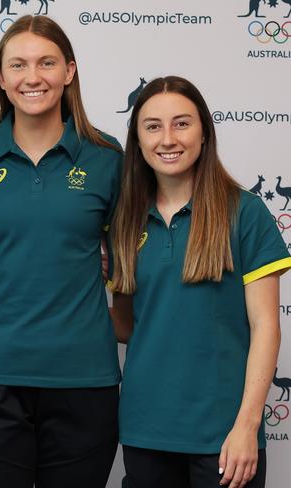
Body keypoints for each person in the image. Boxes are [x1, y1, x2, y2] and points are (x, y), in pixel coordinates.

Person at [0, 15, 123, 488]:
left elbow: (129, 251)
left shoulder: (107, 156)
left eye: (47, 62)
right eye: (19, 65)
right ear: (2, 79)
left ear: (69, 71)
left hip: (84, 380)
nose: (33, 77)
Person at [110, 76, 290, 488]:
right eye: (152, 126)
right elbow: (125, 325)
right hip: (145, 429)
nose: (168, 138)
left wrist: (247, 426)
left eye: (182, 123)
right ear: (137, 141)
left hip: (225, 436)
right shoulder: (124, 220)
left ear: (205, 133)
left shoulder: (245, 213)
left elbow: (266, 327)